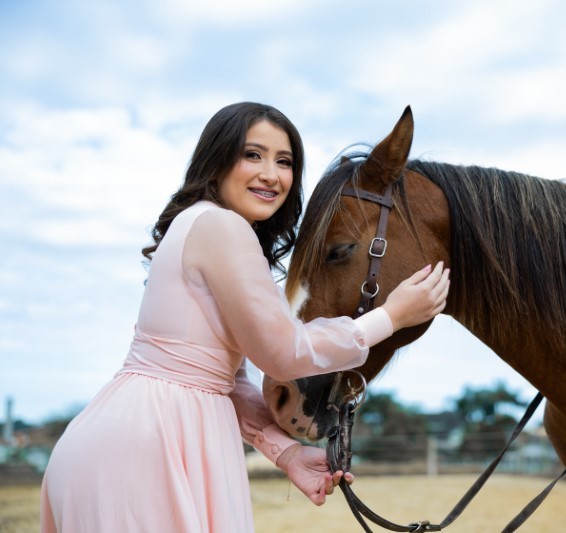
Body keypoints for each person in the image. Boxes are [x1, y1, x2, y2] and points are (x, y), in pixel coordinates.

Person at [40, 102, 450, 532]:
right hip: (148, 449)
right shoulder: (222, 226)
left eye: (284, 162)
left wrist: (286, 453)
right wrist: (390, 317)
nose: (271, 174)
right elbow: (283, 352)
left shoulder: (201, 226)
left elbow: (224, 383)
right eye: (253, 155)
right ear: (217, 160)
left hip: (128, 440)